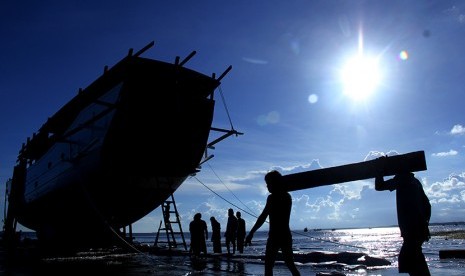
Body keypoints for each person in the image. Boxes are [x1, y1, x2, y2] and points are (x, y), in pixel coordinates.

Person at [375, 165, 431, 276]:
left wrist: (379, 170)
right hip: (419, 228)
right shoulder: (415, 181)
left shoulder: (402, 179)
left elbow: (379, 186)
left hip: (411, 229)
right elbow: (427, 205)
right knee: (414, 258)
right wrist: (425, 223)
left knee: (410, 259)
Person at [245, 170, 300, 276]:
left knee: (270, 266)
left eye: (268, 184)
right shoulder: (286, 196)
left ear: (274, 183)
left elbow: (263, 216)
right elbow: (263, 216)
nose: (267, 187)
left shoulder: (274, 198)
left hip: (276, 236)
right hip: (284, 235)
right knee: (289, 264)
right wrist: (252, 232)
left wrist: (252, 232)